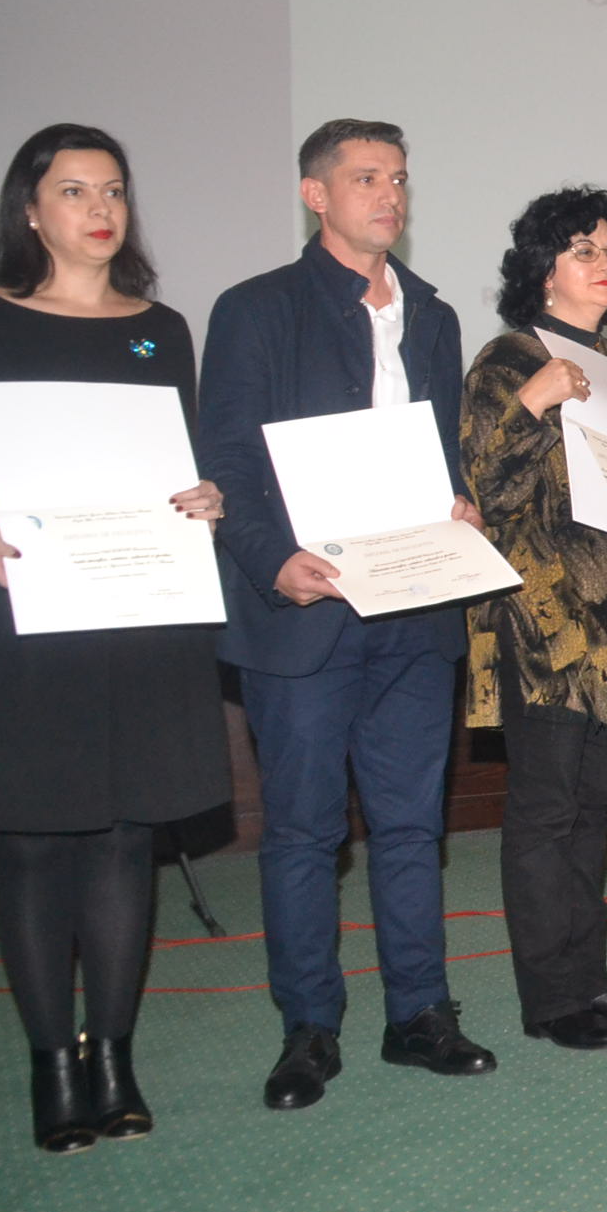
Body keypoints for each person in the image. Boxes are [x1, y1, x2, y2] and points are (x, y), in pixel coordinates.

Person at [199, 119, 496, 1110]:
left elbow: (443, 455)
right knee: (302, 833)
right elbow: (228, 460)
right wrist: (269, 562)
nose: (389, 195)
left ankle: (420, 1015)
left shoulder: (434, 316)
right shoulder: (256, 310)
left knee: (412, 826)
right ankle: (308, 1030)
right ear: (315, 195)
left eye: (399, 178)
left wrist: (458, 503)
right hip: (304, 612)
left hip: (414, 611)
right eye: (366, 177)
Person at [0, 124, 228, 1152]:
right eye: (75, 190)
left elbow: (184, 455)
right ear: (30, 210)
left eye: (115, 190)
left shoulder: (162, 329)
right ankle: (53, 1065)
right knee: (33, 842)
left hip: (141, 610)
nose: (100, 208)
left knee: (127, 837)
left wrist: (207, 496)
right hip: (28, 620)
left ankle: (114, 1058)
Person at [460, 187, 607, 1050]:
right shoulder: (508, 359)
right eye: (583, 250)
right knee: (546, 814)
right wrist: (532, 401)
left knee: (594, 813)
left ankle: (589, 979)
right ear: (542, 269)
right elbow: (482, 489)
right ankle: (551, 999)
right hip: (546, 628)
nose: (605, 265)